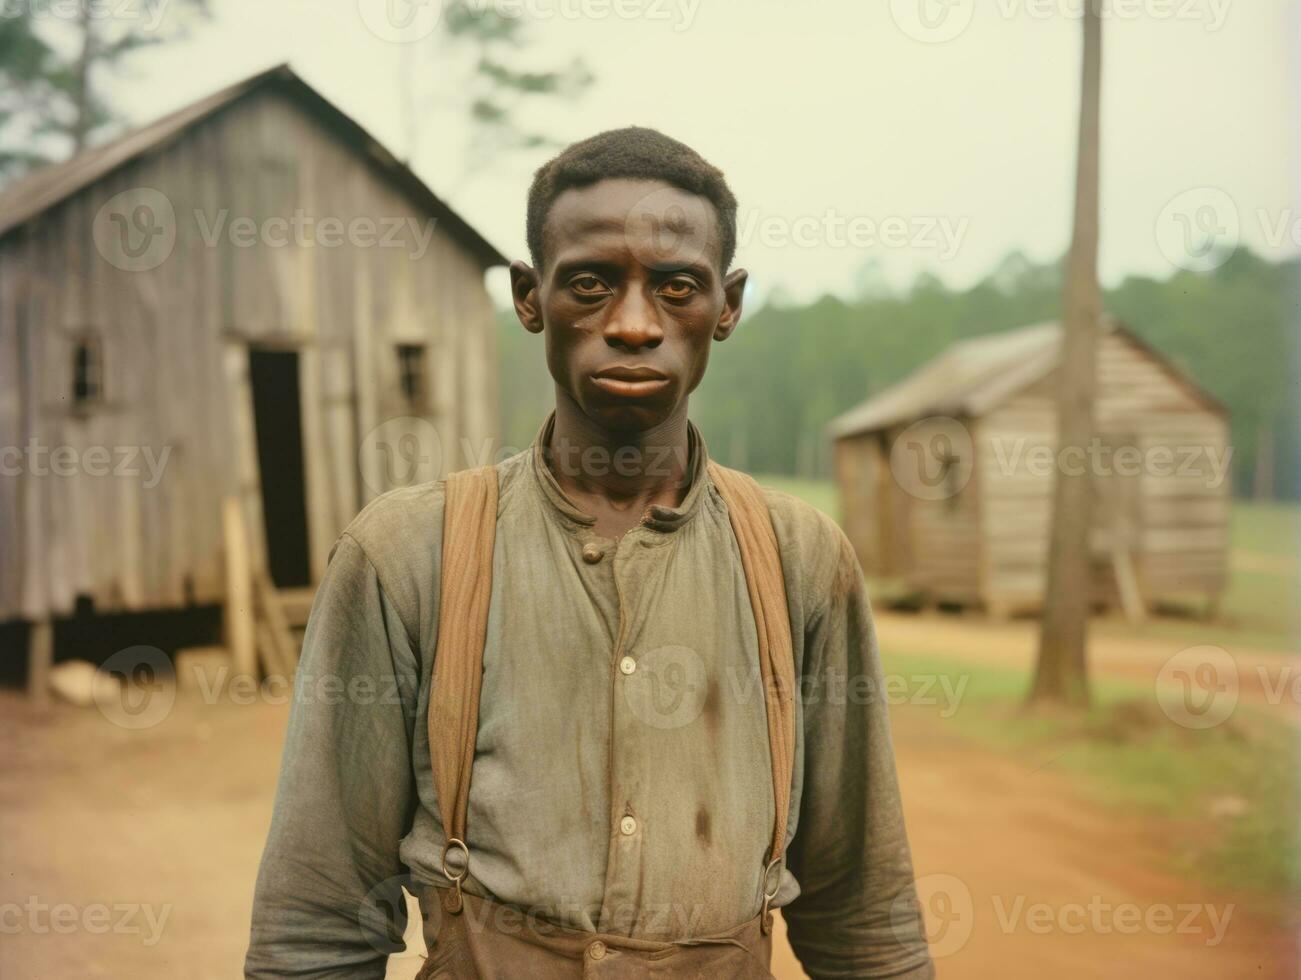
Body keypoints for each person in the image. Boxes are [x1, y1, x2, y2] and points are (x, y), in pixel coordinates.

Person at [245, 127, 933, 979]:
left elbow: (862, 912)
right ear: (531, 297)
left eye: (677, 287)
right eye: (591, 284)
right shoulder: (406, 555)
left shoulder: (800, 560)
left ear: (727, 305)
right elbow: (316, 921)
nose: (635, 324)